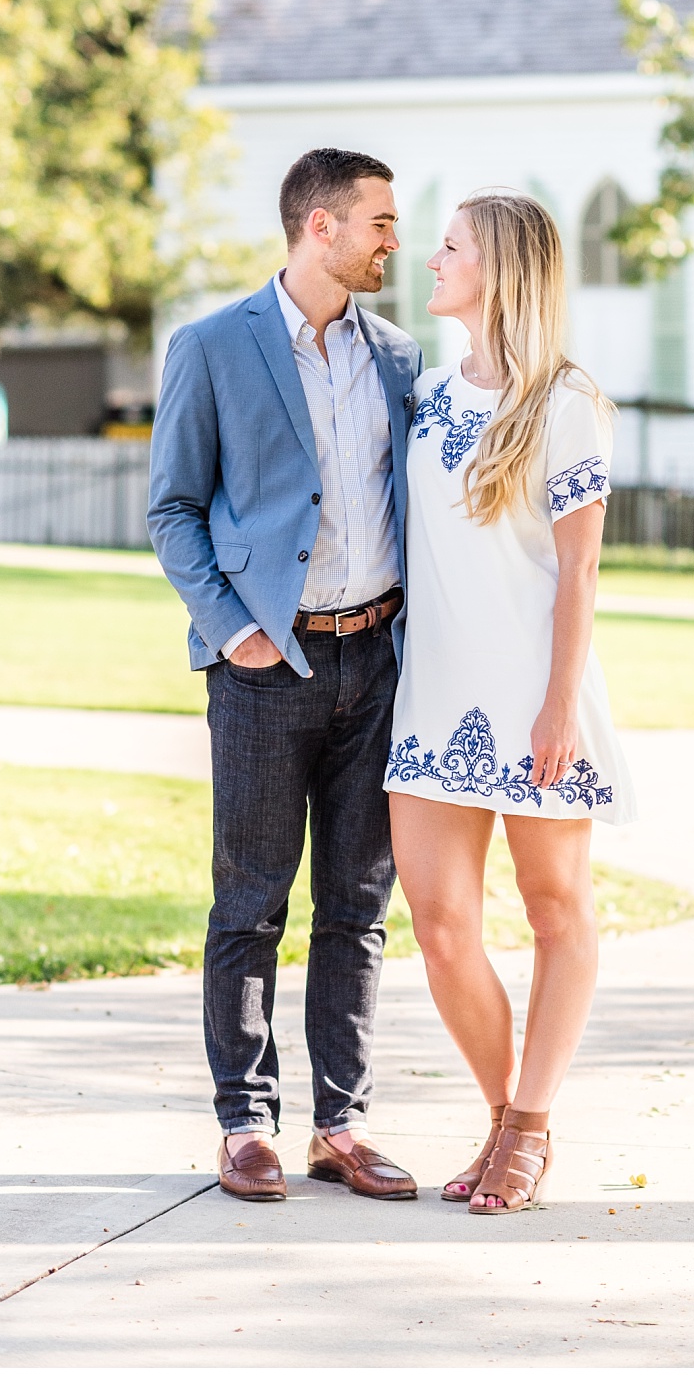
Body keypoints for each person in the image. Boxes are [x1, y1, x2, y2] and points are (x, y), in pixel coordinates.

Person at [148, 148, 424, 1204]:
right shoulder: (213, 347)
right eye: (380, 221)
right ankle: (244, 1121)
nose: (393, 238)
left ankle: (341, 1124)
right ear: (319, 225)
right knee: (251, 901)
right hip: (269, 664)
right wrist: (233, 629)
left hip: (378, 658)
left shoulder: (398, 357)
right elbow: (173, 506)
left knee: (357, 905)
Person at [385, 189, 636, 1215]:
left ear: (497, 269)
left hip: (538, 696)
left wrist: (558, 705)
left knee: (553, 907)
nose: (430, 259)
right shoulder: (427, 393)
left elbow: (578, 574)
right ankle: (506, 1118)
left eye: (449, 247)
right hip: (432, 700)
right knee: (442, 926)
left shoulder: (565, 400)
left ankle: (527, 1129)